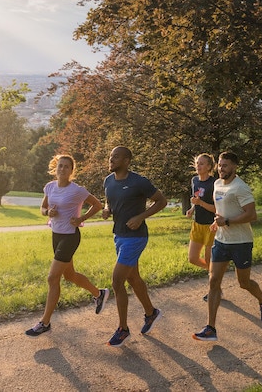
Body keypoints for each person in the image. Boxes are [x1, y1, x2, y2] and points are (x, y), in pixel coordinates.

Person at [26, 154, 109, 336]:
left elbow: (96, 204)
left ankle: (45, 322)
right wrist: (49, 211)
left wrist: (81, 218)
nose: (62, 169)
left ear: (72, 171)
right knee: (69, 275)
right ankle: (99, 294)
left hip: (70, 237)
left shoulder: (77, 190)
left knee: (52, 278)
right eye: (60, 166)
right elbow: (42, 209)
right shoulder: (49, 187)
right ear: (55, 167)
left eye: (66, 167)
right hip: (55, 235)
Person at [192, 151, 262, 342]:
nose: (221, 169)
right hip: (221, 240)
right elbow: (220, 208)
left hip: (241, 242)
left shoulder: (240, 187)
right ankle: (210, 328)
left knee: (244, 283)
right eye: (219, 165)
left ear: (234, 167)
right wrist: (217, 221)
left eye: (225, 165)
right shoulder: (217, 184)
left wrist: (226, 221)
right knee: (213, 281)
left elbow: (252, 215)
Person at [102, 146, 168, 347]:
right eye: (111, 156)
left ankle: (123, 329)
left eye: (116, 157)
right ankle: (151, 312)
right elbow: (109, 202)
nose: (111, 159)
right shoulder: (108, 181)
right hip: (119, 236)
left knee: (117, 281)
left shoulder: (139, 182)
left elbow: (161, 201)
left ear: (127, 160)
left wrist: (141, 217)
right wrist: (106, 210)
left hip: (135, 237)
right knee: (132, 277)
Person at [185, 153, 217, 301]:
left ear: (209, 167)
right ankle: (215, 272)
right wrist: (192, 208)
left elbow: (217, 209)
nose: (198, 166)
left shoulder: (214, 183)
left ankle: (214, 289)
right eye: (197, 163)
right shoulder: (194, 180)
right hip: (197, 224)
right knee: (192, 258)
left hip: (211, 226)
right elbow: (197, 197)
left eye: (202, 163)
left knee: (209, 259)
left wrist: (200, 204)